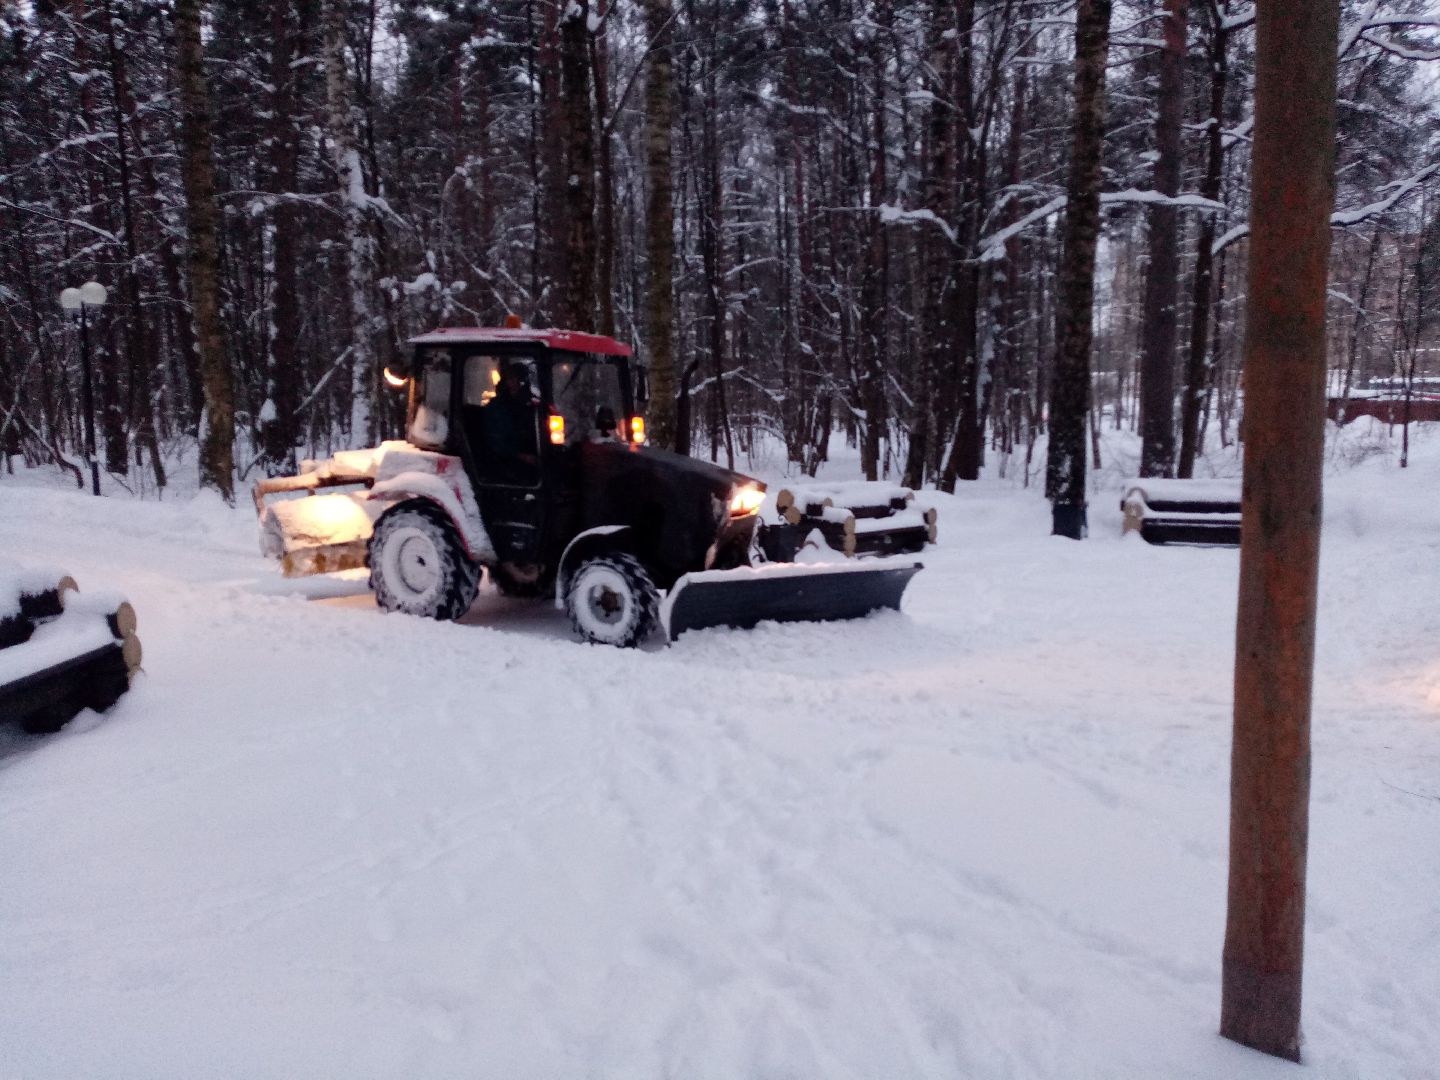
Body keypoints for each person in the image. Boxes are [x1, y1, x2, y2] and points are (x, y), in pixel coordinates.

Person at [478, 363, 540, 483]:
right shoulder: (497, 407)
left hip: (533, 454)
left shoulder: (534, 405)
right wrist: (522, 456)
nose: (514, 382)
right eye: (510, 378)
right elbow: (496, 441)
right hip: (504, 463)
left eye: (518, 378)